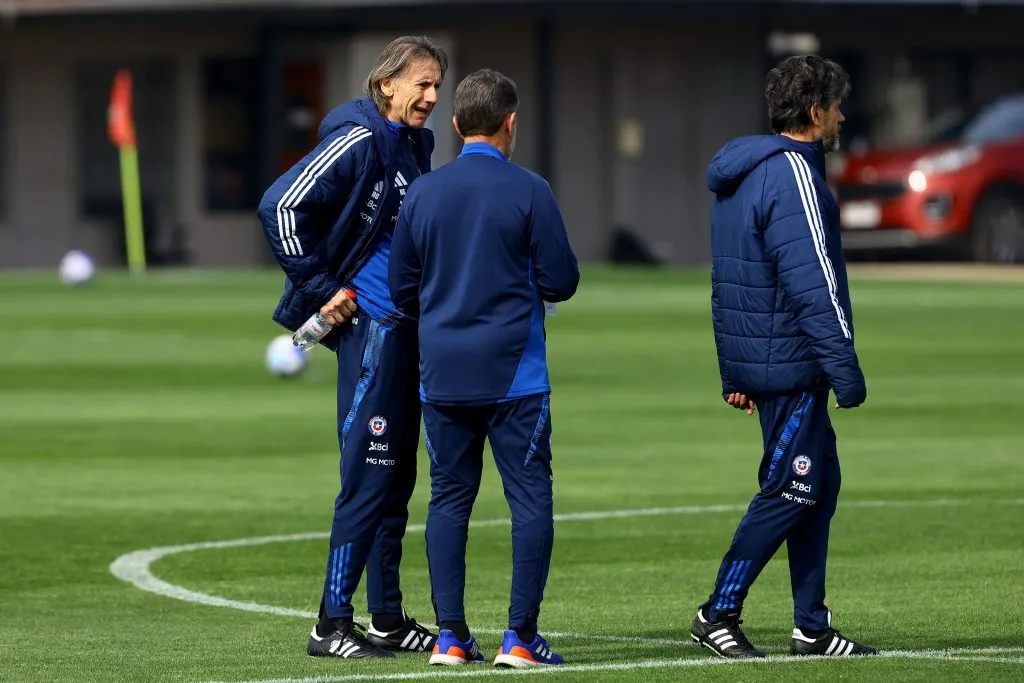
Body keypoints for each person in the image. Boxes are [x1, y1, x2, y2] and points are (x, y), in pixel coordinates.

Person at [257, 35, 448, 660]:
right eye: (421, 83)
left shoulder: (414, 144)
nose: (432, 96)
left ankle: (387, 618)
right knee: (367, 478)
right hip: (372, 331)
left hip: (406, 329)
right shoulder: (360, 137)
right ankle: (330, 624)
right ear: (387, 83)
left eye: (437, 85)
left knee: (396, 481)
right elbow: (280, 205)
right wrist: (322, 290)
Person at [388, 68, 579, 668]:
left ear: (455, 123)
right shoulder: (530, 189)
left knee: (448, 500)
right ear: (510, 122)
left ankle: (449, 636)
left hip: (442, 373)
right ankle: (520, 636)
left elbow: (401, 290)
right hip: (514, 375)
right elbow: (562, 280)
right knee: (530, 501)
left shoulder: (422, 193)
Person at [690, 55, 878, 659]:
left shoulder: (744, 172)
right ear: (815, 112)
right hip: (793, 361)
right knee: (792, 489)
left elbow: (730, 281)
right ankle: (717, 612)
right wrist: (845, 369)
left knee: (819, 484)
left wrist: (734, 370)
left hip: (767, 358)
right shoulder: (794, 174)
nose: (842, 118)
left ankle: (811, 627)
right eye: (837, 107)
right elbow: (814, 283)